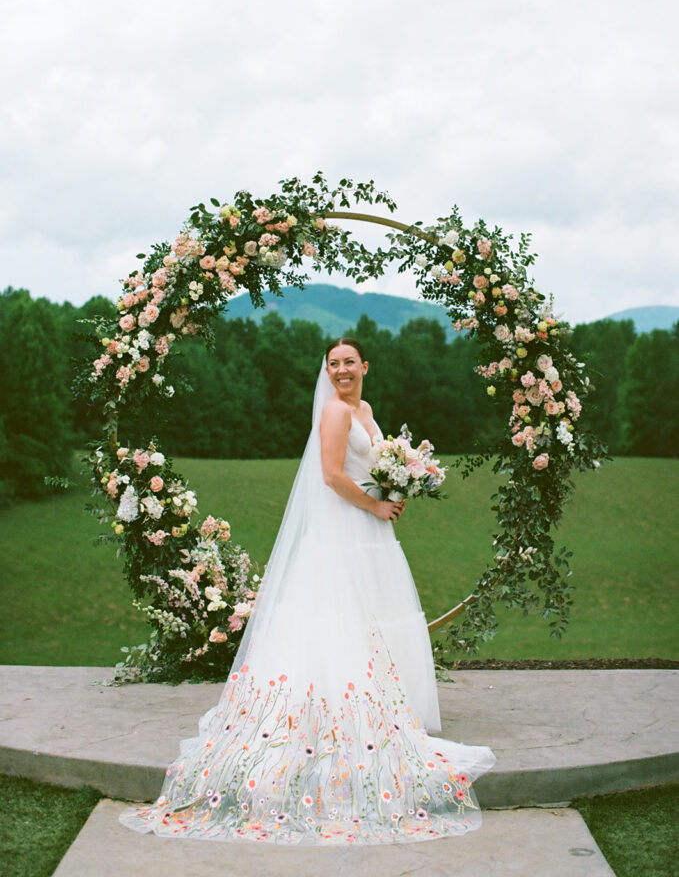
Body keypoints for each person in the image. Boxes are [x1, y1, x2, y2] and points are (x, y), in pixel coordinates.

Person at [119, 338, 495, 844]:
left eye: (349, 362)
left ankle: (390, 705)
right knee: (339, 617)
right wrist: (376, 505)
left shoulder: (364, 408)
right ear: (328, 371)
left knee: (376, 617)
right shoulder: (336, 414)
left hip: (370, 532)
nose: (342, 371)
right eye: (333, 364)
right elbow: (333, 476)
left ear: (366, 366)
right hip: (345, 526)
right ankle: (332, 716)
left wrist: (399, 485)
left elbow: (373, 465)